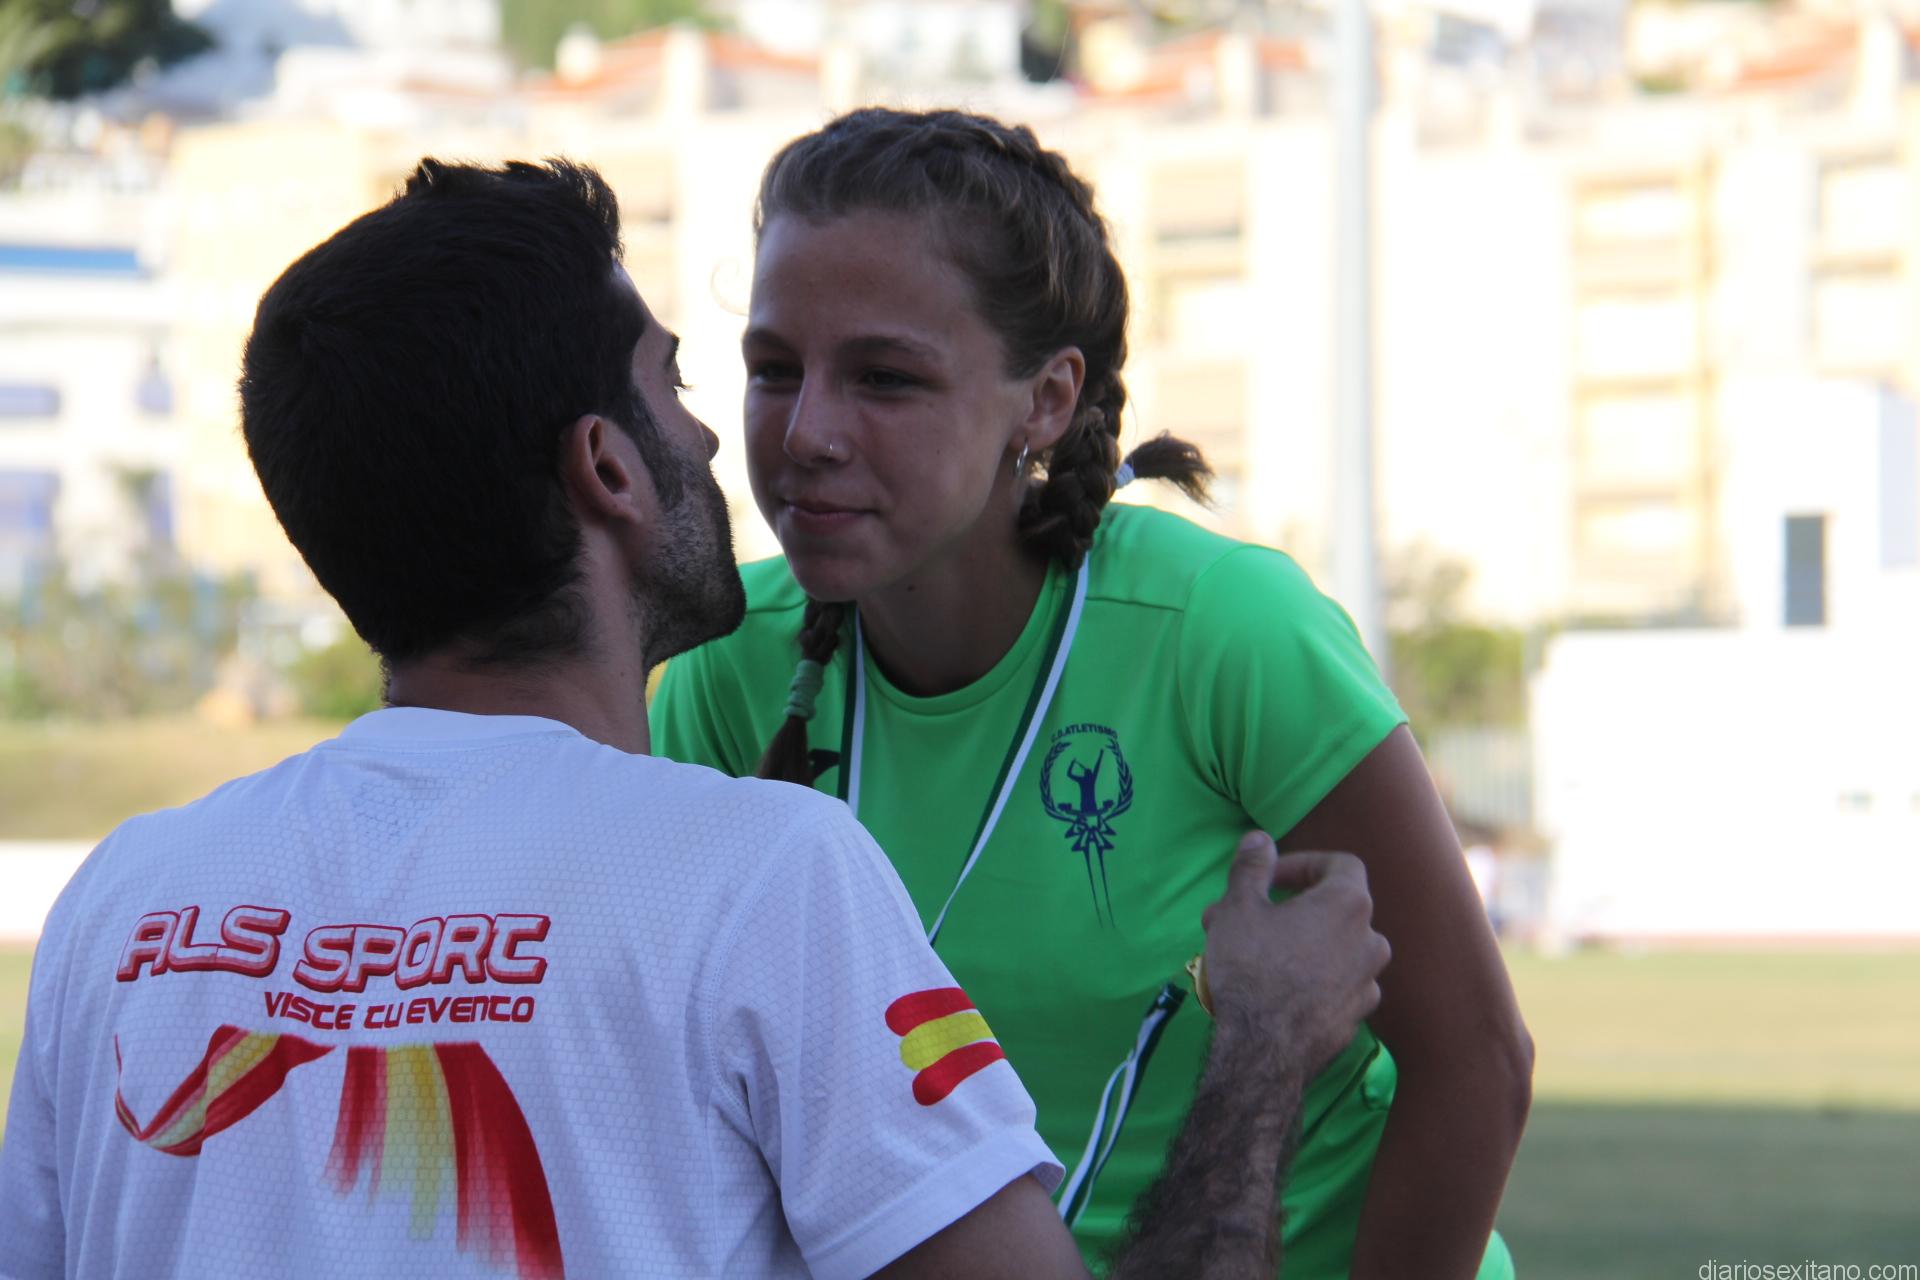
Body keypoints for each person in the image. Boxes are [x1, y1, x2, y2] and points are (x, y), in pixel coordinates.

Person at [0, 157, 1391, 1279]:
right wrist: (1264, 1047)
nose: (732, 437)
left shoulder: (123, 904)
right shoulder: (765, 876)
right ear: (609, 470)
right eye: (677, 382)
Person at [649, 107, 1535, 1278]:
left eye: (885, 378)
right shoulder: (729, 670)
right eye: (774, 369)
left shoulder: (1221, 631)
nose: (807, 431)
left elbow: (1476, 1058)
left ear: (1048, 399)